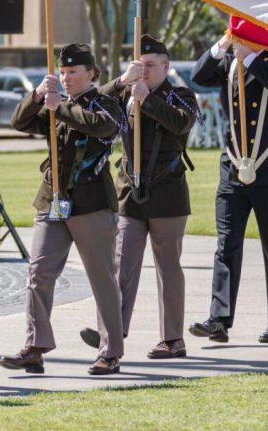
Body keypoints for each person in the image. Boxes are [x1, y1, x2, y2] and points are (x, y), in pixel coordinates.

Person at [0, 43, 125, 376]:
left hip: (92, 202)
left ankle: (110, 351)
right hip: (53, 200)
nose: (67, 78)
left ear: (91, 74)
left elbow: (103, 127)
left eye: (73, 72)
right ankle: (35, 346)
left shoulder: (106, 103)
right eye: (63, 72)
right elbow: (19, 121)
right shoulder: (55, 105)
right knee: (39, 273)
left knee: (101, 278)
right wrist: (39, 95)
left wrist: (63, 108)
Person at [78, 34, 198, 359]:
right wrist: (122, 81)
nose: (144, 71)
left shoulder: (181, 95)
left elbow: (181, 122)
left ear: (165, 66)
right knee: (121, 265)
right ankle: (111, 334)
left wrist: (150, 100)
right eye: (139, 65)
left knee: (168, 267)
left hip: (168, 192)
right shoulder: (125, 95)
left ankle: (172, 339)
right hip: (130, 191)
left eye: (150, 65)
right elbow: (90, 102)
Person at [188, 33, 268, 344]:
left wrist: (251, 57)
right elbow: (199, 76)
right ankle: (219, 319)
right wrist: (223, 44)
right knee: (226, 245)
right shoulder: (227, 58)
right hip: (233, 168)